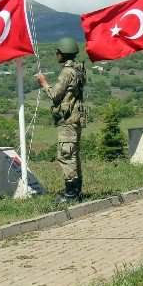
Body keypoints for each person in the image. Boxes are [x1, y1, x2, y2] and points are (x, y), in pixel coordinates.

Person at [37, 38, 86, 205]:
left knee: (66, 155)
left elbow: (55, 95)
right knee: (73, 155)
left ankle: (71, 194)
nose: (56, 55)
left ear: (64, 53)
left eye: (58, 52)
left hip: (68, 120)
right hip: (76, 118)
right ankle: (76, 191)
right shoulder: (77, 70)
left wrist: (44, 84)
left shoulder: (67, 72)